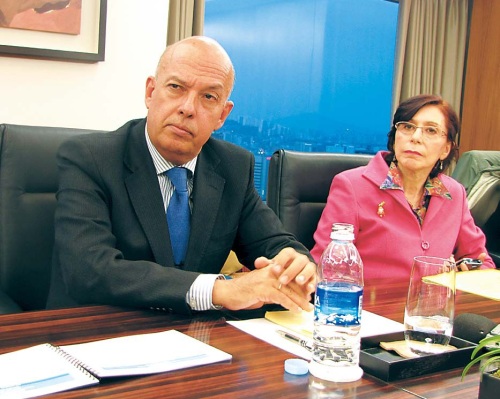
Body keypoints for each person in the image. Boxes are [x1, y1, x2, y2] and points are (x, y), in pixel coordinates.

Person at [47, 36, 316, 314]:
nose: (188, 108)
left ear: (222, 115)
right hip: (94, 329)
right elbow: (89, 270)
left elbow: (273, 243)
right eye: (176, 87)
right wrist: (221, 290)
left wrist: (296, 267)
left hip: (192, 337)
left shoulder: (233, 166)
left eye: (208, 97)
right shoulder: (89, 158)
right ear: (151, 92)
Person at [311, 94, 495, 280]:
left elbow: (480, 259)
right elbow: (324, 264)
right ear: (395, 136)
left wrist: (471, 271)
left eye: (430, 130)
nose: (415, 137)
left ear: (446, 149)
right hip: (368, 306)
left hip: (433, 306)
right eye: (407, 127)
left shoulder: (454, 194)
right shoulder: (352, 185)